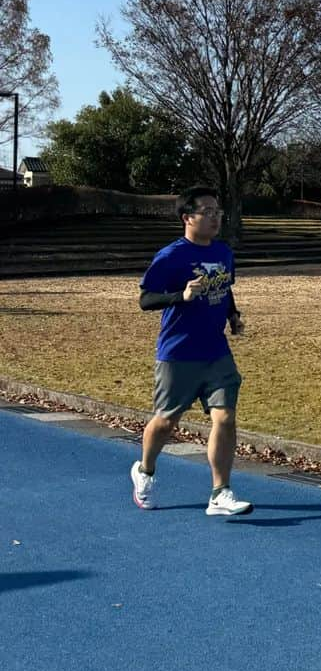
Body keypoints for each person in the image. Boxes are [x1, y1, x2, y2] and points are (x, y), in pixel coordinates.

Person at [130, 187, 253, 517]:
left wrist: (233, 316)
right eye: (207, 212)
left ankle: (220, 492)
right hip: (178, 353)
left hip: (216, 352)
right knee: (166, 421)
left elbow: (224, 290)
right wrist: (180, 296)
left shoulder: (224, 252)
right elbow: (146, 300)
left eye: (218, 212)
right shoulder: (171, 256)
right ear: (188, 217)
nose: (215, 218)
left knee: (225, 418)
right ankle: (145, 470)